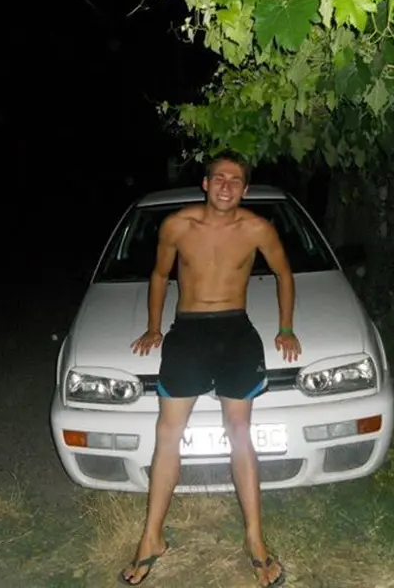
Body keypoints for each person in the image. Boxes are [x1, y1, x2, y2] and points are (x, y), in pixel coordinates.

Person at [120, 151, 302, 587]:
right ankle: (151, 538)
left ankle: (254, 539)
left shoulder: (257, 228)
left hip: (236, 332)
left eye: (235, 180)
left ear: (245, 189)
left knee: (240, 433)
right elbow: (160, 275)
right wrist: (154, 327)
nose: (226, 186)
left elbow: (284, 273)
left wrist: (285, 328)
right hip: (188, 332)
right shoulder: (177, 225)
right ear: (205, 183)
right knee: (168, 433)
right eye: (219, 178)